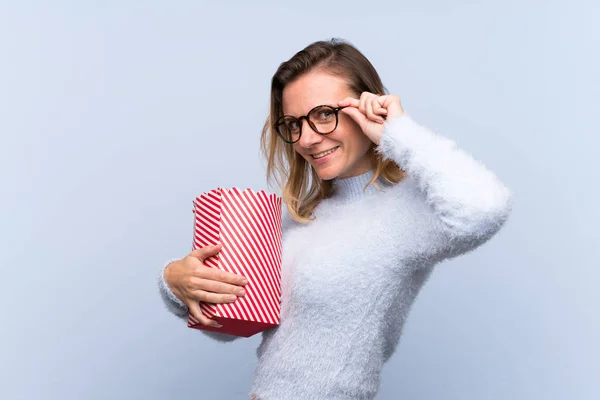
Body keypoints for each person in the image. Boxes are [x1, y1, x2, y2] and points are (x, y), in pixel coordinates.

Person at [157, 38, 514, 399]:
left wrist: (398, 132)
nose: (308, 139)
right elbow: (230, 324)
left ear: (367, 105)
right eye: (293, 123)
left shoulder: (408, 208)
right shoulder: (297, 217)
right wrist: (176, 282)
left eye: (324, 114)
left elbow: (485, 208)